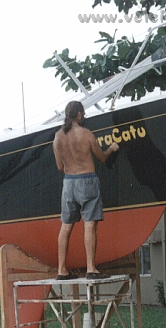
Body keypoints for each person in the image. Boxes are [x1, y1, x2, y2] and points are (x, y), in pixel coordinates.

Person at [53, 100, 119, 280]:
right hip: (87, 180)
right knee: (89, 224)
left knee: (66, 226)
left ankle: (61, 270)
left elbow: (60, 166)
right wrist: (111, 149)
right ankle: (91, 268)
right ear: (80, 114)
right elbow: (102, 158)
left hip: (68, 183)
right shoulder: (86, 134)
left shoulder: (58, 137)